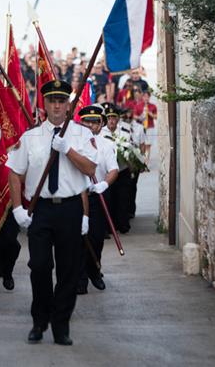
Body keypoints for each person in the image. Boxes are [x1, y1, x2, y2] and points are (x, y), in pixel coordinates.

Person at [7, 80, 97, 346]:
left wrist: (66, 149)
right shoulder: (31, 137)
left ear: (68, 105)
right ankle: (39, 320)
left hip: (70, 208)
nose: (57, 106)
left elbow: (91, 168)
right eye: (52, 101)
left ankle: (61, 325)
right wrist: (17, 208)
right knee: (40, 266)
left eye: (61, 101)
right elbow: (14, 172)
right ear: (44, 105)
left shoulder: (81, 135)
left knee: (68, 271)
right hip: (41, 209)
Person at [76, 105, 118, 295]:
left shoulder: (106, 145)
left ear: (101, 124)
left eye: (95, 122)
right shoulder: (73, 144)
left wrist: (105, 184)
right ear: (80, 122)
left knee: (96, 238)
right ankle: (81, 279)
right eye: (87, 121)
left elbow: (113, 170)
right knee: (78, 239)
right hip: (77, 196)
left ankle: (94, 271)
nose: (91, 126)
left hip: (98, 194)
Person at [101, 103, 131, 234]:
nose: (111, 120)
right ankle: (109, 227)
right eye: (109, 117)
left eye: (114, 117)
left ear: (118, 118)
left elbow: (130, 148)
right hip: (107, 172)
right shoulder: (101, 133)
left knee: (123, 198)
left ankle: (123, 224)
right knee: (109, 199)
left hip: (122, 170)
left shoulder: (125, 131)